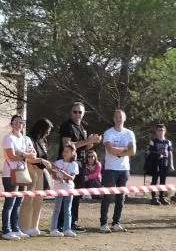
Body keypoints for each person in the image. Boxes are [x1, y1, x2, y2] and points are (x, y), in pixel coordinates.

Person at [59, 102, 100, 231]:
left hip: (80, 163)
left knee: (77, 193)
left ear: (83, 114)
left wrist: (93, 142)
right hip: (67, 163)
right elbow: (67, 145)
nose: (77, 114)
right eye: (75, 112)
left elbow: (86, 147)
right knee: (65, 193)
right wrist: (87, 141)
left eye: (80, 112)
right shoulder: (67, 126)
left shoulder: (84, 126)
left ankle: (73, 222)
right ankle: (60, 223)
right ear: (71, 113)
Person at [99, 108, 136, 232]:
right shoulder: (108, 133)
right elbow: (110, 150)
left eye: (121, 117)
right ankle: (103, 223)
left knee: (121, 197)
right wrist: (125, 150)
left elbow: (133, 151)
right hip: (110, 169)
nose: (118, 119)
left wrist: (120, 152)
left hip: (124, 169)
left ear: (124, 118)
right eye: (116, 117)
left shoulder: (129, 133)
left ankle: (116, 223)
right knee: (108, 197)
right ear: (113, 119)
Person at [0, 114, 35, 240]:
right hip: (10, 174)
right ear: (11, 124)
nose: (18, 125)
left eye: (20, 122)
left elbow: (33, 155)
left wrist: (23, 154)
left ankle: (15, 228)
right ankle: (6, 230)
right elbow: (11, 156)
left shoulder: (26, 139)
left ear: (23, 125)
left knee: (18, 203)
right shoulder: (8, 138)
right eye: (15, 122)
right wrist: (25, 155)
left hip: (23, 173)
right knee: (10, 202)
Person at [20, 118, 55, 236]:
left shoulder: (42, 141)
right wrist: (42, 161)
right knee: (28, 200)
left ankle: (34, 226)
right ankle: (25, 226)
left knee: (38, 200)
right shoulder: (29, 139)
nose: (48, 133)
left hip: (40, 172)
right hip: (31, 171)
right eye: (48, 130)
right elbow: (30, 157)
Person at [49, 142, 79, 237]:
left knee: (68, 210)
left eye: (67, 151)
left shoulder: (74, 164)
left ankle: (67, 229)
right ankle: (53, 229)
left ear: (72, 153)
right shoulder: (58, 162)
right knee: (57, 209)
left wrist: (63, 173)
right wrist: (58, 178)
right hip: (58, 189)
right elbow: (53, 175)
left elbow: (72, 178)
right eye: (64, 151)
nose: (64, 153)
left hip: (69, 189)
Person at [143, 123, 173, 205]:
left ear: (165, 131)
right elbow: (149, 152)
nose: (161, 132)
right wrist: (156, 154)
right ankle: (153, 198)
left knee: (163, 181)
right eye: (159, 130)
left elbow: (170, 153)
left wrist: (171, 164)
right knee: (154, 180)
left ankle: (162, 197)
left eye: (162, 130)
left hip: (165, 163)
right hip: (155, 164)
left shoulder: (168, 142)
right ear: (156, 131)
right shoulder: (153, 141)